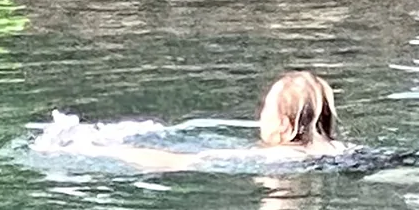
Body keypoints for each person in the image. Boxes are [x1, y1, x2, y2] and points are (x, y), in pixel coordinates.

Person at [31, 72, 350, 174]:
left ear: (283, 125)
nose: (259, 114)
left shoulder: (278, 157)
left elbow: (180, 162)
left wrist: (100, 149)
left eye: (265, 107)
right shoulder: (341, 150)